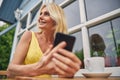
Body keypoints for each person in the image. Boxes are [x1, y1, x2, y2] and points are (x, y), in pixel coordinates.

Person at [7, 3, 81, 78]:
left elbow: (62, 76)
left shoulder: (59, 45)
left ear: (56, 19)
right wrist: (38, 68)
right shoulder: (29, 35)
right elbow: (10, 71)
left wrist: (69, 73)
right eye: (40, 14)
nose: (40, 17)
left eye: (46, 14)